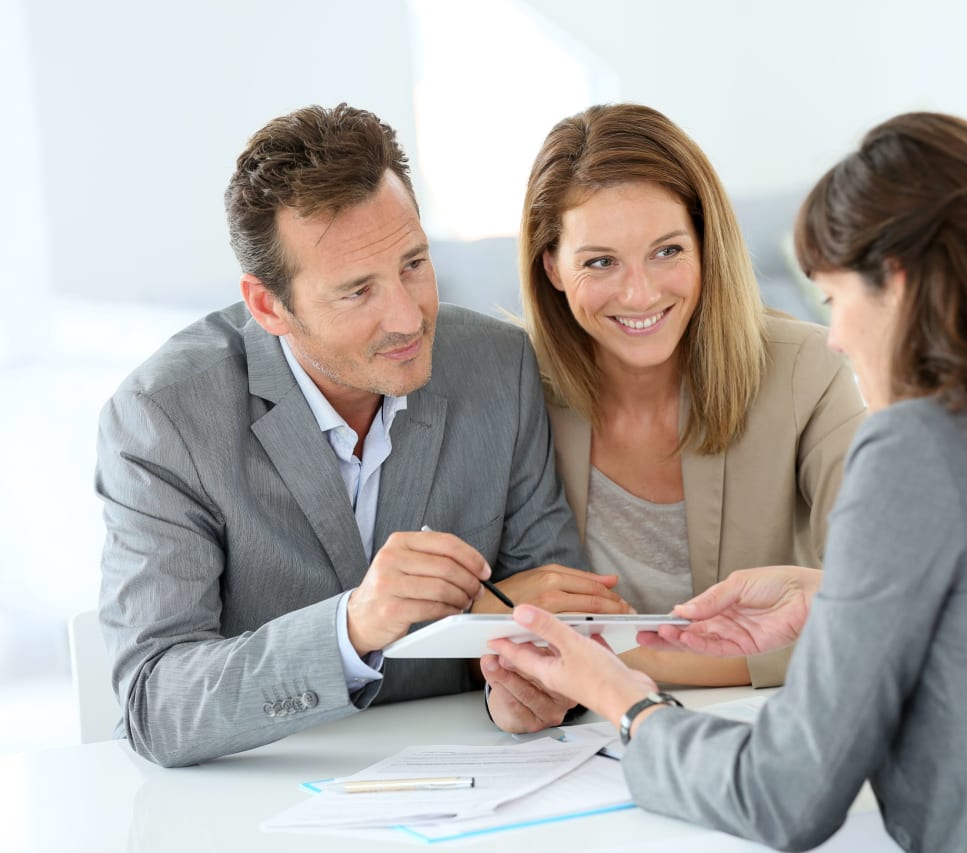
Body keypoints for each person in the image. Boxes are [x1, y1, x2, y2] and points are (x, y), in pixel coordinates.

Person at [488, 112, 967, 852]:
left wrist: (627, 702)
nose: (836, 335)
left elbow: (781, 795)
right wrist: (832, 597)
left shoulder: (916, 451)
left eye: (834, 298)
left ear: (899, 279)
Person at [95, 103, 629, 768]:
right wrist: (353, 626)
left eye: (413, 263)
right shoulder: (166, 417)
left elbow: (555, 612)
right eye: (357, 291)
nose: (408, 317)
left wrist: (520, 693)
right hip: (256, 801)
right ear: (268, 306)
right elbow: (155, 705)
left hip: (472, 783)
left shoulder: (498, 365)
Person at [517, 103, 866, 689]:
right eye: (600, 262)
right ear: (552, 267)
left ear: (706, 244)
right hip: (571, 748)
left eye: (667, 251)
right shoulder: (517, 391)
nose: (639, 293)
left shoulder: (808, 370)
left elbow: (882, 600)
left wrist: (637, 667)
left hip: (764, 732)